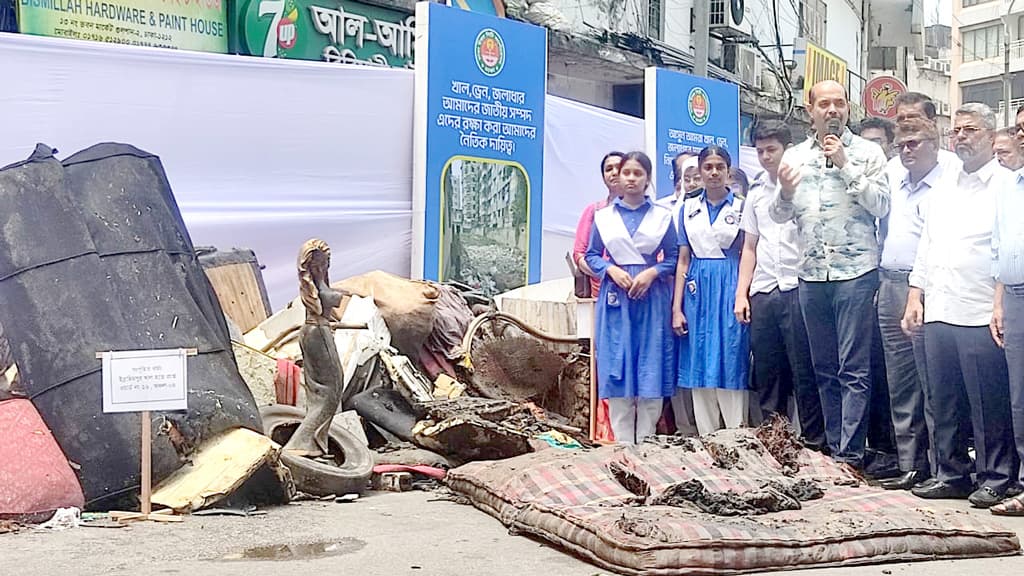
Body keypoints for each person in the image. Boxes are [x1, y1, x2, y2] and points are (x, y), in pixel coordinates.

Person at [771, 79, 890, 469]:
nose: (833, 110)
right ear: (811, 111)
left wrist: (844, 164)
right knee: (823, 368)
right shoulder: (795, 156)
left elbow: (881, 206)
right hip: (811, 273)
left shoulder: (869, 152)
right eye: (825, 104)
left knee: (853, 368)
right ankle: (836, 446)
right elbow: (777, 215)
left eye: (839, 103)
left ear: (849, 108)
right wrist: (784, 193)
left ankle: (850, 454)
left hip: (855, 272)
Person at [904, 103, 1018, 508]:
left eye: (970, 130)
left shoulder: (1007, 186)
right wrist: (915, 295)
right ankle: (950, 472)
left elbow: (1008, 250)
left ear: (990, 136)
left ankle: (997, 476)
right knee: (943, 397)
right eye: (957, 130)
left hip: (980, 308)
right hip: (940, 305)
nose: (961, 137)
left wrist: (999, 304)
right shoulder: (945, 185)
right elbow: (927, 243)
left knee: (987, 401)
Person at [735, 121, 825, 450]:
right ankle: (775, 439)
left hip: (799, 287)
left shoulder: (807, 183)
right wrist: (741, 294)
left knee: (804, 368)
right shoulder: (756, 194)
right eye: (759, 151)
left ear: (787, 149)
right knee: (768, 370)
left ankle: (815, 439)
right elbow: (749, 247)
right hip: (764, 289)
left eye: (771, 149)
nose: (765, 157)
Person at [875, 118, 952, 491]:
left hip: (926, 289)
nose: (907, 150)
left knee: (933, 383)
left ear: (934, 145)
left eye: (915, 143)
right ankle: (911, 464)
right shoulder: (894, 182)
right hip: (889, 283)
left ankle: (943, 467)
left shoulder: (948, 185)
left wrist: (915, 292)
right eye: (902, 145)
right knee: (900, 382)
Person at [586, 151, 678, 444]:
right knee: (617, 365)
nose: (631, 178)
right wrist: (610, 269)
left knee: (651, 365)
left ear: (648, 179)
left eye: (638, 173)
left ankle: (648, 443)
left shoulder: (662, 217)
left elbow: (675, 256)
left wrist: (652, 273)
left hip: (651, 300)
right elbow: (590, 255)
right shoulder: (604, 217)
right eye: (626, 173)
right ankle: (622, 447)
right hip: (616, 300)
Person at [673, 146, 749, 435]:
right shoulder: (687, 207)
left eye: (720, 166)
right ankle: (707, 436)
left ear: (728, 171)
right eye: (708, 167)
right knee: (699, 355)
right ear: (700, 171)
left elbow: (746, 252)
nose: (714, 172)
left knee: (730, 353)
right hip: (697, 289)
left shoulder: (741, 206)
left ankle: (737, 435)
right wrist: (677, 308)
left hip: (729, 283)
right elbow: (683, 258)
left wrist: (743, 293)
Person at [989, 130, 1024, 515]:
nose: (1021, 134)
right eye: (1018, 127)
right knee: (1020, 398)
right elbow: (1000, 247)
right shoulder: (1010, 185)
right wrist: (998, 304)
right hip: (1014, 297)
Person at [574, 152, 625, 298]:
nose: (614, 173)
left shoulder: (644, 213)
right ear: (603, 178)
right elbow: (579, 254)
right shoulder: (594, 211)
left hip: (636, 291)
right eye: (609, 169)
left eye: (619, 168)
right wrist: (606, 273)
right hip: (600, 294)